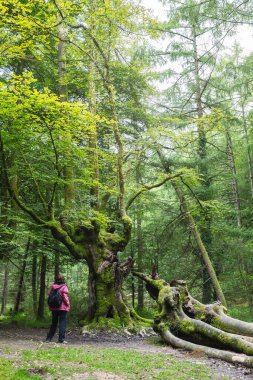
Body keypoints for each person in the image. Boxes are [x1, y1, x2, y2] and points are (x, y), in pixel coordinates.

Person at [46, 274, 70, 343]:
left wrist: (50, 306)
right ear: (63, 279)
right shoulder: (64, 287)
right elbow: (65, 297)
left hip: (54, 308)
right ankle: (61, 339)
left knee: (54, 323)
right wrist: (68, 305)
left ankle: (49, 338)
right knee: (62, 323)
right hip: (63, 308)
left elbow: (48, 296)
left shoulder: (52, 286)